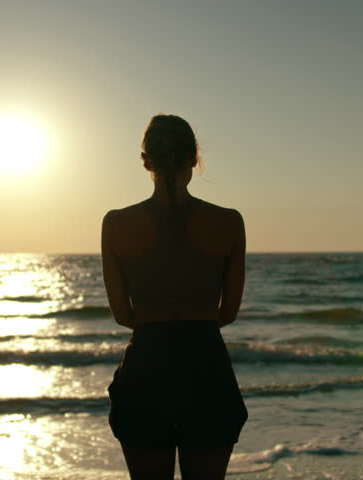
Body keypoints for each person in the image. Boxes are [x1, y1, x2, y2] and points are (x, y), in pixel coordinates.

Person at [101, 114, 248, 480]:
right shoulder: (229, 222)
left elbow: (122, 314)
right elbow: (227, 312)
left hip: (147, 368)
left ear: (146, 161)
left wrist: (157, 320)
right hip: (206, 367)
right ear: (194, 159)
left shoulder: (116, 224)